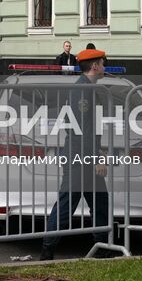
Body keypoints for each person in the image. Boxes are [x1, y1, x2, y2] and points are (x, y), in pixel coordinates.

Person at [39, 48, 111, 261]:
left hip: (84, 156)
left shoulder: (87, 89)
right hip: (80, 159)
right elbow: (82, 130)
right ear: (95, 66)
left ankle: (103, 249)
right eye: (102, 64)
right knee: (66, 205)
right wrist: (96, 158)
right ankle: (47, 250)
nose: (104, 67)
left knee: (100, 203)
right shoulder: (83, 91)